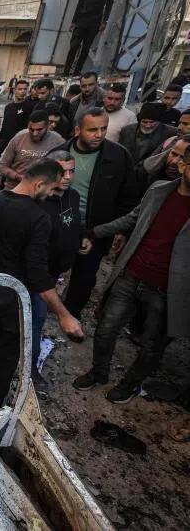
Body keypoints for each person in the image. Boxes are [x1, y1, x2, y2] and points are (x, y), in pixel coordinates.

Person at [0, 158, 83, 410]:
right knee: (7, 351)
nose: (51, 194)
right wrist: (64, 315)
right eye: (51, 189)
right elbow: (38, 275)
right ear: (39, 184)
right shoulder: (39, 218)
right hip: (11, 296)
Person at [73, 136, 190, 403]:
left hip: (167, 290)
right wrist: (94, 232)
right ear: (183, 166)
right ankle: (99, 372)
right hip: (131, 274)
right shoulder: (159, 190)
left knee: (151, 346)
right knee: (105, 328)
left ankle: (130, 384)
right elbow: (132, 219)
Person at [50, 108, 139, 318]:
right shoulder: (58, 154)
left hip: (95, 230)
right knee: (50, 269)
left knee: (84, 277)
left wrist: (120, 231)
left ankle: (71, 315)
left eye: (103, 129)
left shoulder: (118, 156)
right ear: (77, 130)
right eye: (92, 130)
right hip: (60, 226)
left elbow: (128, 196)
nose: (99, 135)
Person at [31, 150, 92, 390]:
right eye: (61, 171)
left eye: (71, 171)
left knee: (37, 316)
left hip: (55, 273)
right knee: (37, 320)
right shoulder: (37, 201)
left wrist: (82, 237)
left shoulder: (73, 196)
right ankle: (30, 369)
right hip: (37, 276)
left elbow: (75, 221)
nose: (67, 177)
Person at [0, 111, 65, 190]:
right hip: (14, 188)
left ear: (47, 126)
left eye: (39, 130)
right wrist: (17, 177)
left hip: (42, 191)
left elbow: (65, 168)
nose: (35, 133)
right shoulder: (18, 139)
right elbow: (2, 166)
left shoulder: (58, 142)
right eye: (31, 129)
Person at [118, 103, 177, 195]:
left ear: (159, 122)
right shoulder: (127, 130)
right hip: (125, 176)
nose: (148, 125)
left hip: (150, 180)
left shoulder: (170, 133)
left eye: (152, 122)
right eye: (144, 122)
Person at [63, 0, 115, 76]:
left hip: (95, 22)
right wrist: (74, 21)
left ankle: (77, 71)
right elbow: (80, 3)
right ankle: (66, 72)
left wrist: (104, 22)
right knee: (74, 46)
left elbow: (109, 6)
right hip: (81, 19)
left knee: (86, 48)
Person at [0, 79, 32, 151]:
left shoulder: (29, 107)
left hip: (20, 144)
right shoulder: (8, 107)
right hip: (5, 144)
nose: (23, 91)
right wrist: (1, 139)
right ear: (14, 90)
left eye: (25, 89)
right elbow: (4, 124)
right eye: (20, 89)